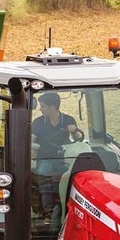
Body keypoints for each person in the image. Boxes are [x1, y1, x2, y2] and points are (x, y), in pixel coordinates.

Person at [31, 92, 78, 230]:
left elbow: (78, 138)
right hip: (44, 159)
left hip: (64, 159)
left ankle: (68, 210)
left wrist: (74, 131)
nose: (40, 109)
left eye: (43, 106)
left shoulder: (68, 120)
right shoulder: (38, 123)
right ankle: (48, 213)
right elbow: (31, 141)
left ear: (53, 107)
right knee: (43, 175)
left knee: (70, 178)